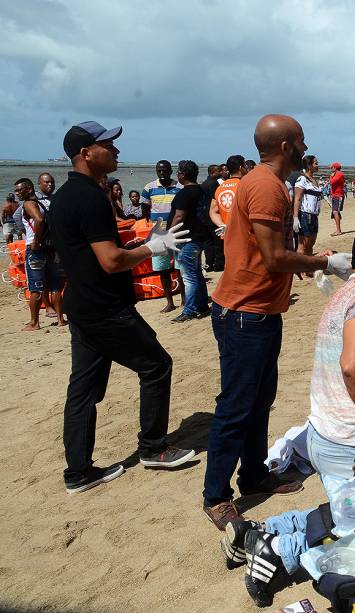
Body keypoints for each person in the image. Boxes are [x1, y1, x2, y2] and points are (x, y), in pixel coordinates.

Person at [218, 224, 355, 607]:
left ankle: (259, 531)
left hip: (324, 435)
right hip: (352, 445)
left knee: (350, 508)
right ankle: (280, 554)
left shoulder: (346, 293)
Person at [202, 114, 353, 530]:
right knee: (235, 405)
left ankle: (253, 475)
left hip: (261, 310)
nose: (306, 148)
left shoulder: (267, 183)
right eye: (301, 141)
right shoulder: (267, 187)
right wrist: (324, 261)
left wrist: (306, 258)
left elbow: (270, 249)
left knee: (259, 398)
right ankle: (215, 495)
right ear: (287, 146)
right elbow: (273, 258)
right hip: (244, 313)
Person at [50, 121, 196, 494]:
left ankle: (78, 472)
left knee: (83, 389)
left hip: (81, 304)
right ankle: (153, 447)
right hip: (104, 308)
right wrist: (154, 248)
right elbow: (112, 260)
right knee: (157, 364)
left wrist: (147, 240)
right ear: (86, 154)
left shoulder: (67, 195)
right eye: (108, 146)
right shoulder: (89, 197)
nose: (116, 152)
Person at [16, 178, 66, 330]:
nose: (17, 193)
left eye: (20, 190)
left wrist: (35, 241)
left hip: (36, 249)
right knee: (56, 286)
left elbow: (38, 220)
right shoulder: (45, 203)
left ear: (29, 189)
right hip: (51, 248)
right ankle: (60, 319)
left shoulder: (28, 203)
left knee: (36, 287)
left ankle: (34, 323)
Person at [168, 160, 211, 323]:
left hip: (186, 238)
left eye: (178, 172)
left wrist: (168, 235)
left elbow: (179, 216)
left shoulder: (185, 193)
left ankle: (190, 309)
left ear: (183, 175)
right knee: (196, 273)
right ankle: (202, 305)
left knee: (189, 276)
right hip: (198, 237)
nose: (177, 175)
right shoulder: (201, 190)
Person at [141, 160, 183, 313]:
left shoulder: (179, 187)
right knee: (162, 268)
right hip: (157, 234)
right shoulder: (149, 188)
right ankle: (170, 302)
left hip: (176, 232)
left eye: (165, 170)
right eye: (159, 171)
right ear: (156, 172)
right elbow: (144, 208)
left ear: (171, 171)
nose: (162, 173)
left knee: (180, 267)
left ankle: (184, 298)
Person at [210, 154, 247, 243]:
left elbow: (212, 211)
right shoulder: (245, 186)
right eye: (245, 166)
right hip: (243, 236)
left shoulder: (220, 187)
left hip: (226, 236)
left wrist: (223, 226)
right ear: (241, 167)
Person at [292, 154, 323, 255]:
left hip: (314, 216)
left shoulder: (314, 180)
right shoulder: (302, 179)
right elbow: (297, 199)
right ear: (309, 166)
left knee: (311, 244)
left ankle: (307, 267)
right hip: (305, 215)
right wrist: (296, 218)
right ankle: (300, 269)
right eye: (316, 163)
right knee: (303, 245)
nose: (318, 165)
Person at [201, 164, 223, 273]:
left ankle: (209, 263)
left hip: (204, 216)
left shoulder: (203, 184)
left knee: (208, 242)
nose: (220, 173)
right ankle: (218, 264)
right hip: (212, 216)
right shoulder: (214, 184)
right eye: (218, 171)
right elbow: (216, 200)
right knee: (217, 241)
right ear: (212, 173)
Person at [328, 162, 345, 236]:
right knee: (335, 212)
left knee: (335, 212)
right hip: (335, 195)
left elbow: (332, 182)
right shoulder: (337, 174)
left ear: (335, 167)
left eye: (332, 167)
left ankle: (338, 230)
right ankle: (338, 229)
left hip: (338, 195)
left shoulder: (339, 174)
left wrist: (331, 177)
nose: (331, 168)